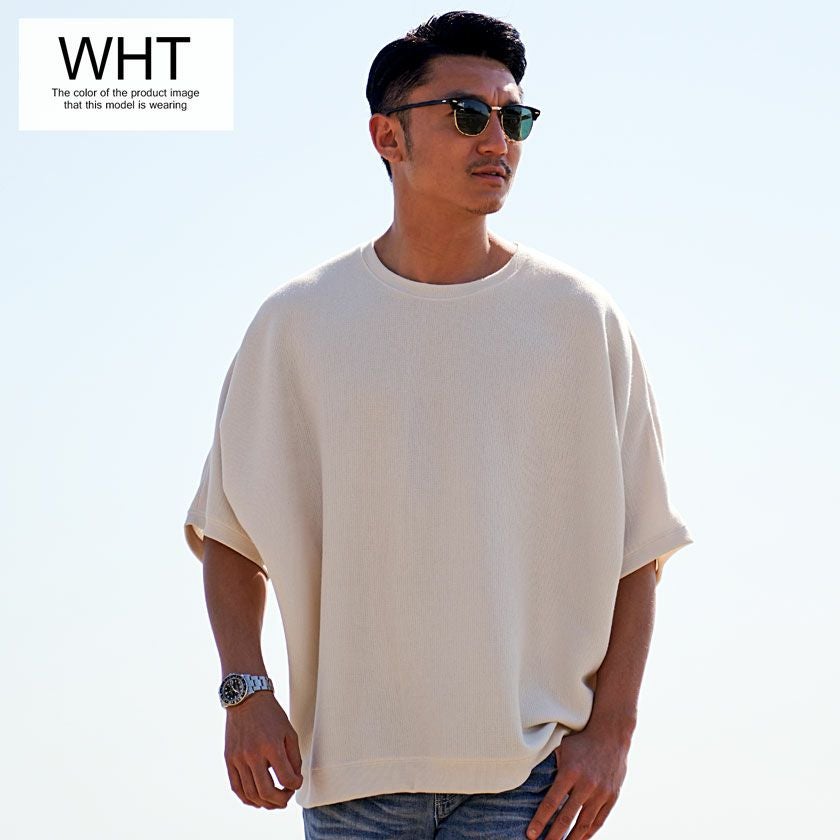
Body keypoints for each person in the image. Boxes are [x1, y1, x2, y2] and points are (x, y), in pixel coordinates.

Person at [183, 10, 694, 840]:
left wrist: (614, 734)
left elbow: (641, 552)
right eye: (468, 114)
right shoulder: (298, 324)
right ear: (387, 136)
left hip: (531, 780)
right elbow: (229, 534)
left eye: (514, 119)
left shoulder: (579, 320)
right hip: (350, 780)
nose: (497, 139)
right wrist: (246, 692)